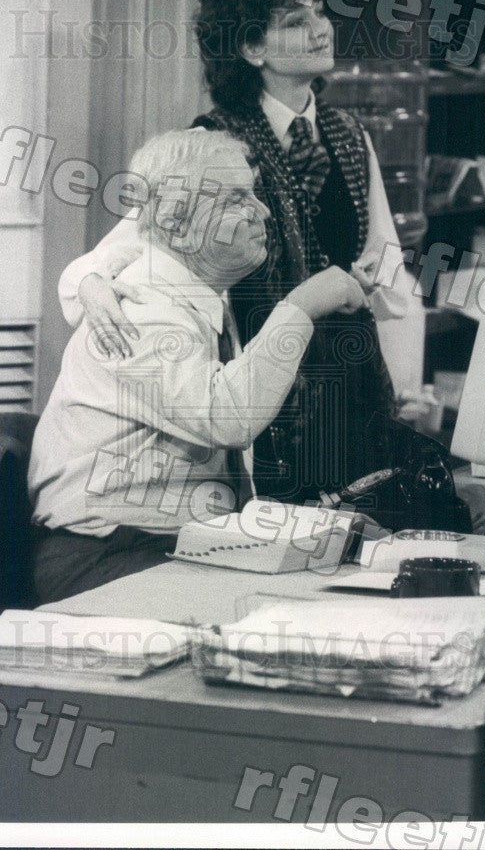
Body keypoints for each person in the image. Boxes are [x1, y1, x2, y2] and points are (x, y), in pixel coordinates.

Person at [59, 0, 409, 504]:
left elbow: (388, 257)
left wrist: (375, 278)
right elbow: (124, 246)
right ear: (251, 48)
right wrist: (92, 284)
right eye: (296, 21)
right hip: (266, 391)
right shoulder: (213, 143)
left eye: (321, 12)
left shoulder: (349, 134)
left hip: (353, 387)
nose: (321, 29)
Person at [28, 128, 367, 603]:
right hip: (105, 559)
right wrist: (301, 306)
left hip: (161, 543)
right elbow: (227, 418)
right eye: (237, 199)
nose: (263, 212)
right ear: (178, 225)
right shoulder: (140, 307)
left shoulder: (188, 292)